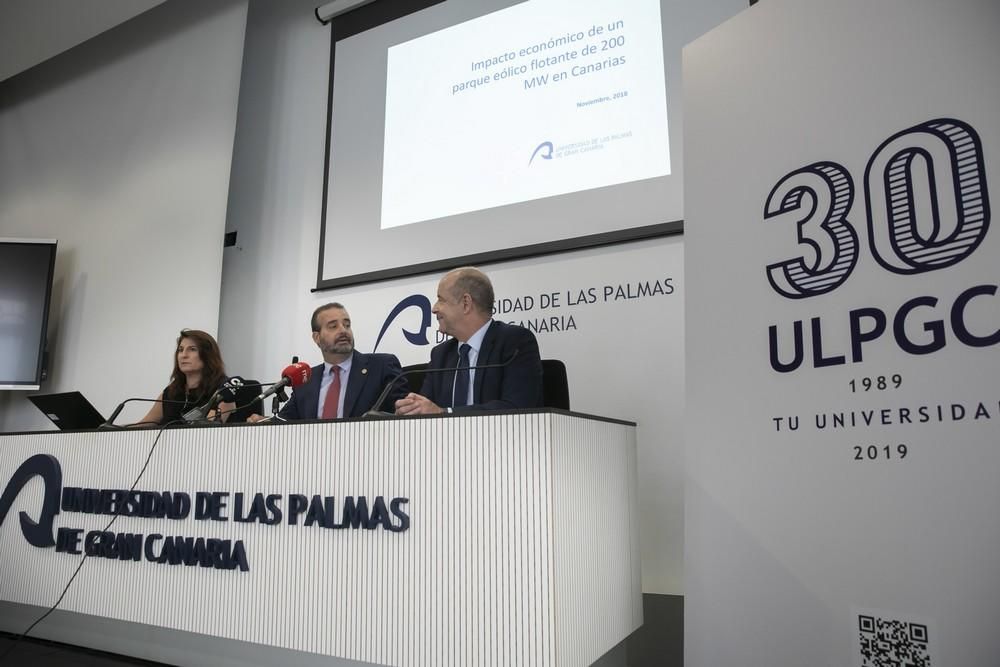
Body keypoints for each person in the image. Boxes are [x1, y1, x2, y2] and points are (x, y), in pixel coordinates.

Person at [395, 267, 543, 415]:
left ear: (466, 303)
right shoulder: (441, 355)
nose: (434, 309)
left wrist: (445, 412)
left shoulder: (515, 342)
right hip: (443, 438)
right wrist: (412, 409)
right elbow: (426, 408)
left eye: (441, 299)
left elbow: (517, 407)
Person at [248, 302, 408, 422]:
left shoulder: (381, 366)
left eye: (347, 325)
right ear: (317, 338)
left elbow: (405, 414)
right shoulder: (306, 380)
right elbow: (286, 422)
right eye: (333, 326)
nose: (343, 330)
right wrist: (264, 421)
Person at [136, 329, 236, 426]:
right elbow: (144, 424)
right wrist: (120, 429)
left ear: (208, 355)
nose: (183, 355)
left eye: (192, 349)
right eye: (180, 350)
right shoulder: (171, 392)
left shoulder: (224, 390)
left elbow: (207, 430)